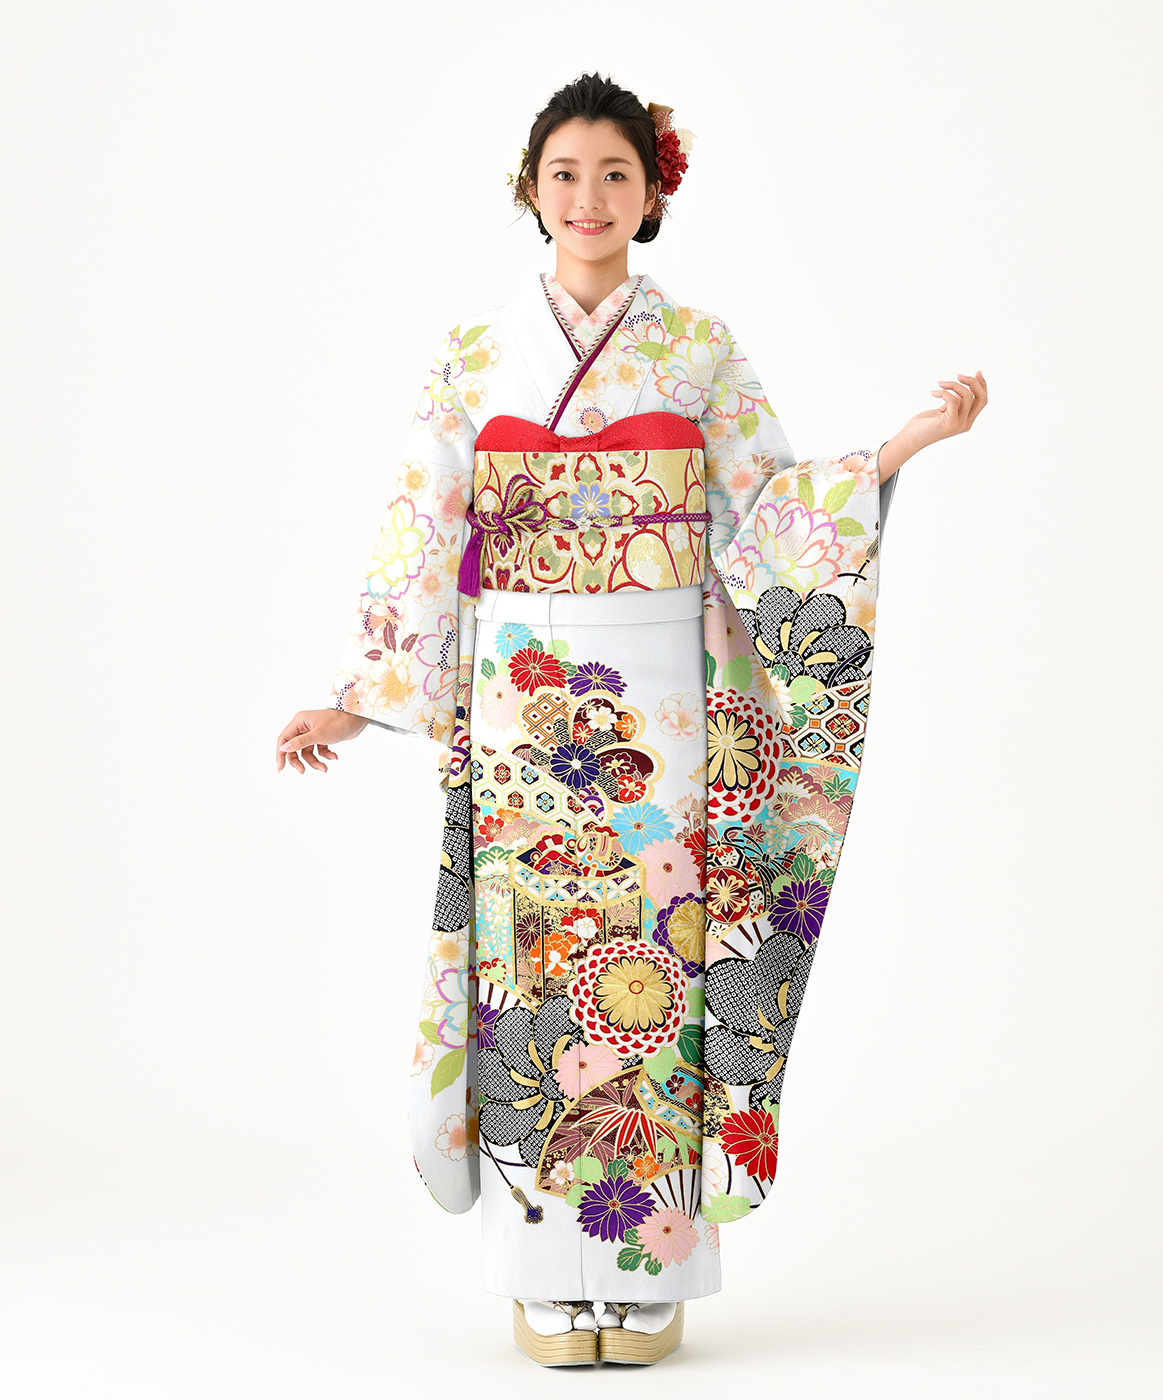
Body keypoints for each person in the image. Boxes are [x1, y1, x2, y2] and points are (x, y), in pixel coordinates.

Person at [275, 72, 986, 1367]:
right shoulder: (474, 355)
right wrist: (359, 695)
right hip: (520, 693)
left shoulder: (697, 348)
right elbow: (423, 523)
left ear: (652, 193)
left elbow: (767, 509)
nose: (588, 197)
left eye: (614, 173)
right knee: (534, 962)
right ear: (529, 189)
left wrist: (888, 454)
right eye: (565, 174)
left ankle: (647, 1268)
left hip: (659, 699)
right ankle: (541, 1269)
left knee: (656, 953)